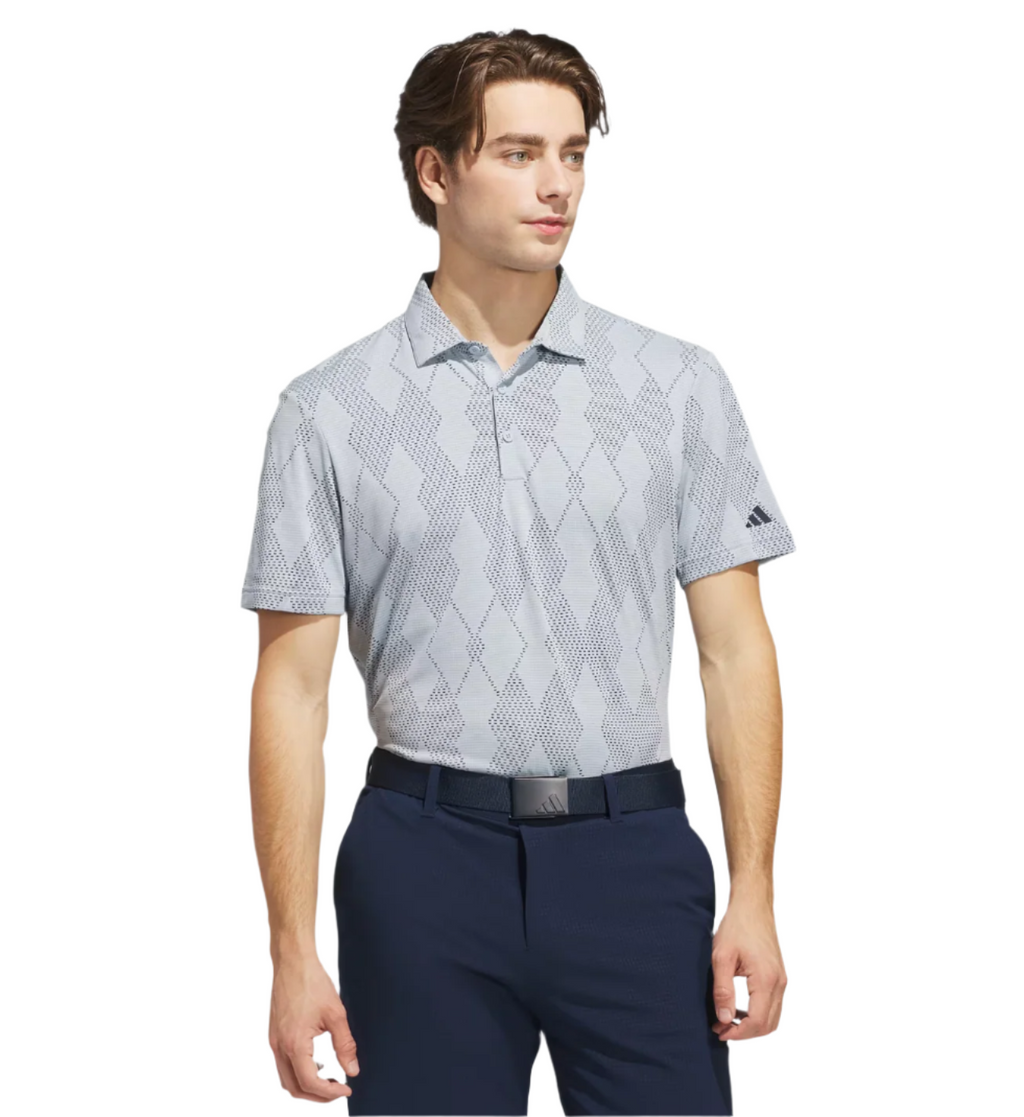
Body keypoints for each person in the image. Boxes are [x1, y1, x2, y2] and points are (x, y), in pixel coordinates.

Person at [241, 27, 795, 1117]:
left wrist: (756, 892)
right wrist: (290, 951)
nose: (558, 186)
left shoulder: (676, 387)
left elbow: (736, 652)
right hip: (420, 867)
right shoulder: (328, 411)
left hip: (634, 859)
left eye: (574, 153)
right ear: (434, 171)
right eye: (519, 153)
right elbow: (290, 692)